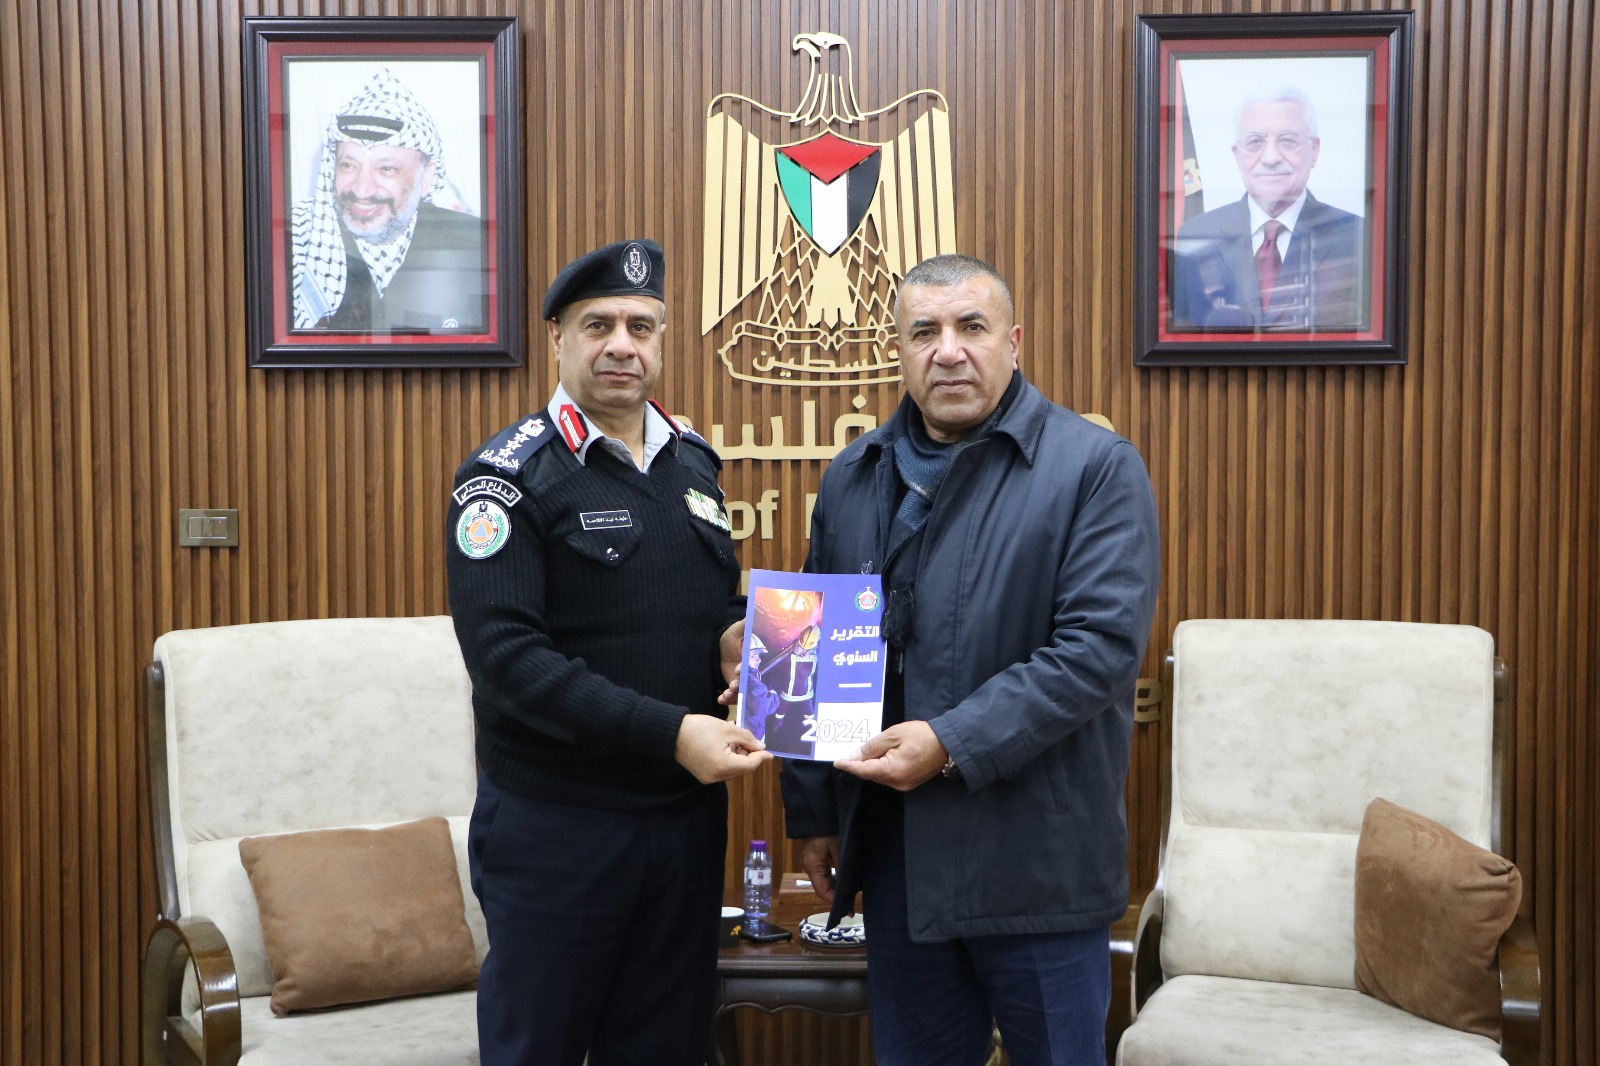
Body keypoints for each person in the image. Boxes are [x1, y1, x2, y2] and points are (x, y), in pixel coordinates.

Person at [780, 254, 1161, 1066]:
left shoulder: (1094, 468)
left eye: (971, 327)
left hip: (1038, 870)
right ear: (900, 351)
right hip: (899, 863)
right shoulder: (853, 474)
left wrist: (949, 741)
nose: (948, 351)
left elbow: (1097, 651)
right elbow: (817, 642)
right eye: (924, 332)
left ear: (1013, 342)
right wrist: (813, 813)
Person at [446, 239, 772, 1066]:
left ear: (661, 340)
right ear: (559, 336)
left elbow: (701, 604)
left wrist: (734, 635)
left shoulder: (693, 463)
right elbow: (508, 662)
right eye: (599, 325)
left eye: (640, 326)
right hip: (559, 829)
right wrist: (672, 732)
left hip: (683, 824)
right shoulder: (507, 479)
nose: (621, 345)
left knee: (667, 1048)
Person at [293, 67, 487, 333]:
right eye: (348, 165)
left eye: (386, 169)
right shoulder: (299, 238)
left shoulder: (477, 243)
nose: (362, 189)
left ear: (426, 176)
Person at [1171, 85, 1365, 331]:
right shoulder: (1196, 234)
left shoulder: (1356, 236)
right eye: (1255, 142)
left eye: (1287, 141)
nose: (1271, 158)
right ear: (1237, 155)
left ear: (1314, 151)